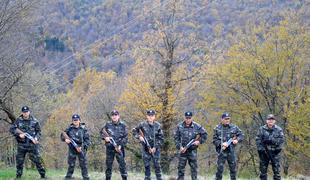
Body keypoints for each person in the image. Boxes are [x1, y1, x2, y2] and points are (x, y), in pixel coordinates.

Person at [9, 106, 46, 179]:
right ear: (22, 112)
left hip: (32, 144)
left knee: (37, 160)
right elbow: (12, 129)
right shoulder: (18, 120)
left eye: (26, 112)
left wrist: (36, 138)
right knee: (19, 162)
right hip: (21, 145)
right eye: (24, 112)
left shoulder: (35, 121)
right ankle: (18, 177)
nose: (25, 113)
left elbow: (39, 132)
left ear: (29, 112)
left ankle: (43, 176)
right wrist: (19, 134)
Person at [174, 111, 208, 180]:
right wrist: (179, 147)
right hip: (183, 151)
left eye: (189, 118)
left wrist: (199, 141)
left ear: (192, 118)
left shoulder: (197, 126)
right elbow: (176, 138)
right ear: (184, 117)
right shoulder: (179, 126)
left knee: (194, 169)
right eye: (186, 118)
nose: (188, 119)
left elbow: (205, 135)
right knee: (181, 169)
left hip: (192, 151)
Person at [132, 110, 164, 180]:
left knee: (157, 165)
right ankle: (147, 178)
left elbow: (161, 138)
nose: (150, 117)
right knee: (146, 165)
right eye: (149, 116)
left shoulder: (158, 126)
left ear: (154, 117)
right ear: (147, 116)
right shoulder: (142, 124)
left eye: (152, 116)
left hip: (156, 150)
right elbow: (134, 131)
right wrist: (139, 137)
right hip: (145, 149)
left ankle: (159, 178)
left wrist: (155, 147)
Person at [213, 112, 244, 180]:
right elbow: (214, 140)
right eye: (225, 119)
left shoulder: (234, 127)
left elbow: (241, 135)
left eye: (228, 119)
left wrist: (237, 140)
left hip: (231, 151)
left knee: (233, 170)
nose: (227, 120)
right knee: (219, 170)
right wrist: (221, 144)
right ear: (222, 119)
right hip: (221, 152)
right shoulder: (217, 128)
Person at [61, 114, 90, 180]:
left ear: (79, 120)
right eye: (74, 120)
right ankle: (68, 177)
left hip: (81, 149)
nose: (75, 121)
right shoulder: (69, 128)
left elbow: (88, 141)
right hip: (72, 149)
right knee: (71, 165)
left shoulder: (84, 129)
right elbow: (62, 136)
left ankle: (86, 178)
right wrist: (65, 139)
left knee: (83, 165)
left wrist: (82, 147)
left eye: (77, 120)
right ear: (72, 121)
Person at [100, 110, 128, 180]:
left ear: (118, 116)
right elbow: (101, 132)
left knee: (122, 165)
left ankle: (124, 178)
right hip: (110, 149)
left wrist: (120, 146)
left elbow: (126, 137)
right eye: (113, 115)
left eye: (116, 115)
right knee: (108, 166)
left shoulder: (123, 125)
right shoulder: (107, 124)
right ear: (111, 117)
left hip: (119, 148)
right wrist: (105, 138)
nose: (114, 116)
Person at [256, 114, 284, 180]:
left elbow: (281, 140)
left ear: (274, 121)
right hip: (264, 153)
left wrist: (272, 141)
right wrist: (261, 149)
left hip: (275, 153)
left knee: (277, 172)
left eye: (272, 119)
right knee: (263, 172)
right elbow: (257, 140)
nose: (270, 121)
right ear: (266, 121)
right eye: (269, 119)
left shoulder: (279, 129)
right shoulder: (261, 129)